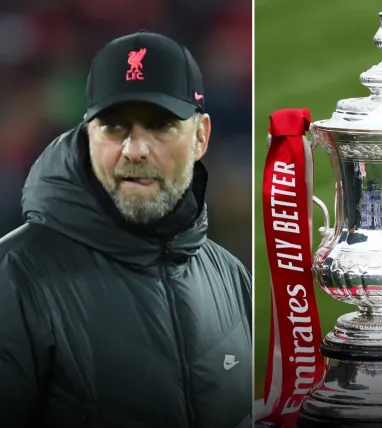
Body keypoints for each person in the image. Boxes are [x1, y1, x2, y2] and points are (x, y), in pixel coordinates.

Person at [0, 30, 252, 427]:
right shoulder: (15, 275)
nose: (135, 149)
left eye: (161, 125)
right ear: (88, 135)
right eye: (115, 126)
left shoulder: (229, 276)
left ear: (200, 136)